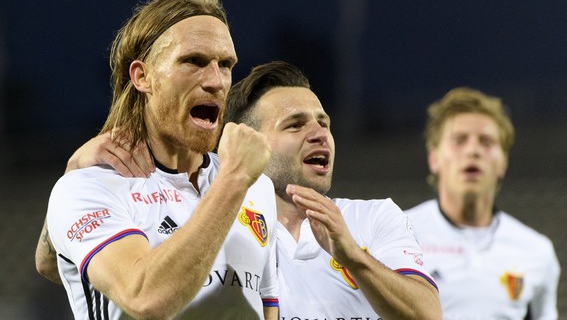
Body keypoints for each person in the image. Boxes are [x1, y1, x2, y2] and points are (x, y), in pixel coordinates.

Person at [39, 61, 442, 319]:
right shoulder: (209, 216)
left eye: (324, 122)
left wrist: (353, 256)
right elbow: (52, 263)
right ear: (247, 142)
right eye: (295, 124)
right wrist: (74, 174)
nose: (320, 134)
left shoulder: (373, 218)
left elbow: (427, 315)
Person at [39, 0, 279, 319]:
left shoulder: (258, 188)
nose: (216, 82)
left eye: (225, 65)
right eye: (193, 61)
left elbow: (268, 305)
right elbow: (146, 298)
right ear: (142, 76)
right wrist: (233, 180)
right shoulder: (93, 184)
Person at [405, 87, 561, 319]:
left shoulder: (537, 251)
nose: (473, 150)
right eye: (459, 140)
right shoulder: (399, 233)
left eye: (486, 142)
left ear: (503, 163)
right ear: (434, 158)